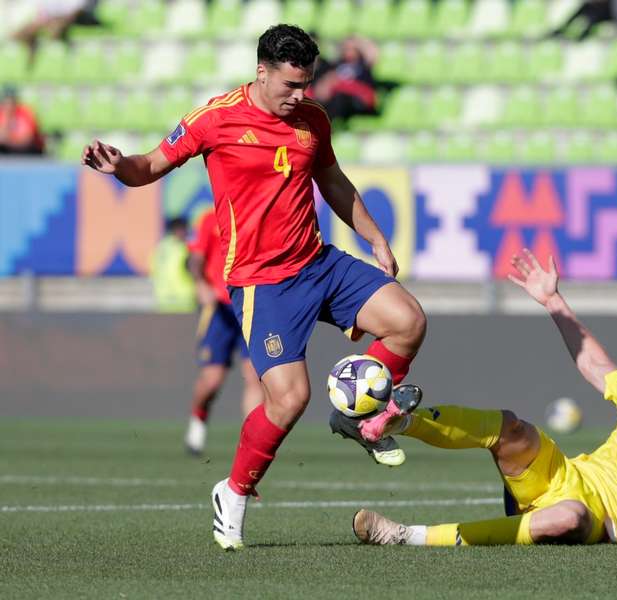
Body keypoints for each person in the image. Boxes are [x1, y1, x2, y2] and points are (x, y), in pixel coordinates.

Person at [81, 24, 427, 551]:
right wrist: (118, 166)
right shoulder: (215, 119)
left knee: (408, 321)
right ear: (261, 72)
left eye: (307, 83)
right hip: (263, 285)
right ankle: (234, 492)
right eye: (291, 84)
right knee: (289, 400)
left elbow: (332, 181)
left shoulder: (312, 119)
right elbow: (151, 164)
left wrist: (376, 239)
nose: (301, 95)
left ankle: (364, 417)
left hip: (319, 264)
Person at [350, 249, 617, 547]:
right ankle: (397, 421)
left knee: (568, 517)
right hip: (567, 475)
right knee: (511, 426)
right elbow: (596, 367)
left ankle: (404, 535)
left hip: (598, 518)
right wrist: (553, 301)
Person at [183, 206, 264, 455]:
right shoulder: (210, 217)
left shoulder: (258, 214)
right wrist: (200, 284)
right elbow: (194, 259)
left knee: (254, 377)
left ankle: (251, 444)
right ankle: (198, 420)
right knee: (212, 380)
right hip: (220, 308)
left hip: (251, 306)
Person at [149, 217, 196, 314]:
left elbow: (152, 268)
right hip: (184, 301)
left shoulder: (161, 246)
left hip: (165, 301)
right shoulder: (187, 247)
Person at [0, 86, 45, 155]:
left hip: (29, 152)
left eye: (11, 100)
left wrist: (8, 140)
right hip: (8, 152)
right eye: (6, 101)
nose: (9, 104)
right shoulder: (2, 113)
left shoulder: (25, 113)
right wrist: (7, 118)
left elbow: (27, 140)